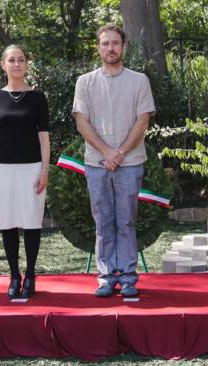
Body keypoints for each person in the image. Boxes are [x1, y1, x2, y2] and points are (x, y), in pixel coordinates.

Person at [72, 23, 155, 298]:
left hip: (130, 164)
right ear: (98, 47)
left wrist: (119, 153)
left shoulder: (139, 80)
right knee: (103, 222)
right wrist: (107, 152)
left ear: (124, 47)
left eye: (115, 43)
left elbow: (142, 121)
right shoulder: (85, 82)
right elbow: (82, 123)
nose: (111, 48)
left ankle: (129, 278)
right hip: (97, 165)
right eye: (105, 43)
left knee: (127, 221)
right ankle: (107, 278)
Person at [0, 45, 50, 299]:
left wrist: (45, 170)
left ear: (26, 64)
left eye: (21, 59)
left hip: (32, 168)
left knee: (32, 222)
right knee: (8, 222)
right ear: (3, 65)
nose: (17, 64)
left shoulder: (38, 98)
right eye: (11, 60)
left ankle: (30, 274)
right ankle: (14, 275)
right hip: (2, 169)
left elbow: (44, 137)